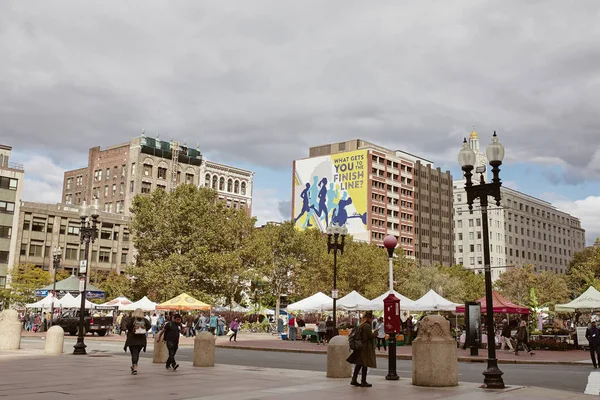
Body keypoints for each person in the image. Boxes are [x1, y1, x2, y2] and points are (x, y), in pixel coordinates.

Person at [346, 311, 377, 387]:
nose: (372, 320)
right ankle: (363, 381)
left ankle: (354, 379)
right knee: (364, 364)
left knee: (359, 364)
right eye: (371, 318)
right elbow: (370, 337)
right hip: (364, 347)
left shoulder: (361, 325)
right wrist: (376, 333)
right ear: (369, 318)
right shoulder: (366, 326)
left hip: (359, 346)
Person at [124, 308, 151, 375]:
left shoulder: (132, 319)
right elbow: (149, 326)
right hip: (141, 339)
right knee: (137, 353)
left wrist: (132, 329)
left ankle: (135, 367)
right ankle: (134, 366)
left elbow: (127, 326)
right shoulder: (144, 320)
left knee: (134, 353)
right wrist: (144, 329)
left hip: (132, 339)